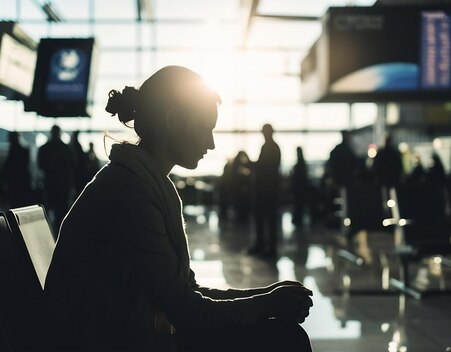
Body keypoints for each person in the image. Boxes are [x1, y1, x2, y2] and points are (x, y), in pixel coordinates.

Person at [44, 66, 313, 352]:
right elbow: (187, 312)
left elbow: (187, 294)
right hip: (105, 341)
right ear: (173, 120)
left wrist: (267, 295)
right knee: (285, 340)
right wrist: (267, 303)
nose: (210, 143)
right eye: (205, 128)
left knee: (281, 337)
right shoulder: (131, 191)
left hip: (114, 332)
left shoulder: (137, 180)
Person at [249, 123, 282, 258]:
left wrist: (251, 165)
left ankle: (265, 246)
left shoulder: (269, 147)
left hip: (266, 189)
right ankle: (266, 246)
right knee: (268, 219)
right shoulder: (273, 147)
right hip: (270, 188)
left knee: (264, 218)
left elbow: (265, 167)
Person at [37, 125, 75, 235]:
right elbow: (73, 165)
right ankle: (61, 233)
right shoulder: (66, 148)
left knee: (48, 209)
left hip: (50, 183)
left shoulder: (44, 148)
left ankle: (47, 233)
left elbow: (40, 165)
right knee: (62, 211)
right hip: (64, 184)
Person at [0, 131, 32, 208]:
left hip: (15, 183)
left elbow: (8, 167)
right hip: (22, 183)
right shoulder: (24, 151)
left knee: (15, 204)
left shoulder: (13, 151)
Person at [291, 146, 309, 227]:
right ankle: (298, 220)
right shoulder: (302, 164)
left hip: (299, 188)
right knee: (299, 205)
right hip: (300, 188)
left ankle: (298, 220)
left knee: (298, 205)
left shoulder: (299, 164)